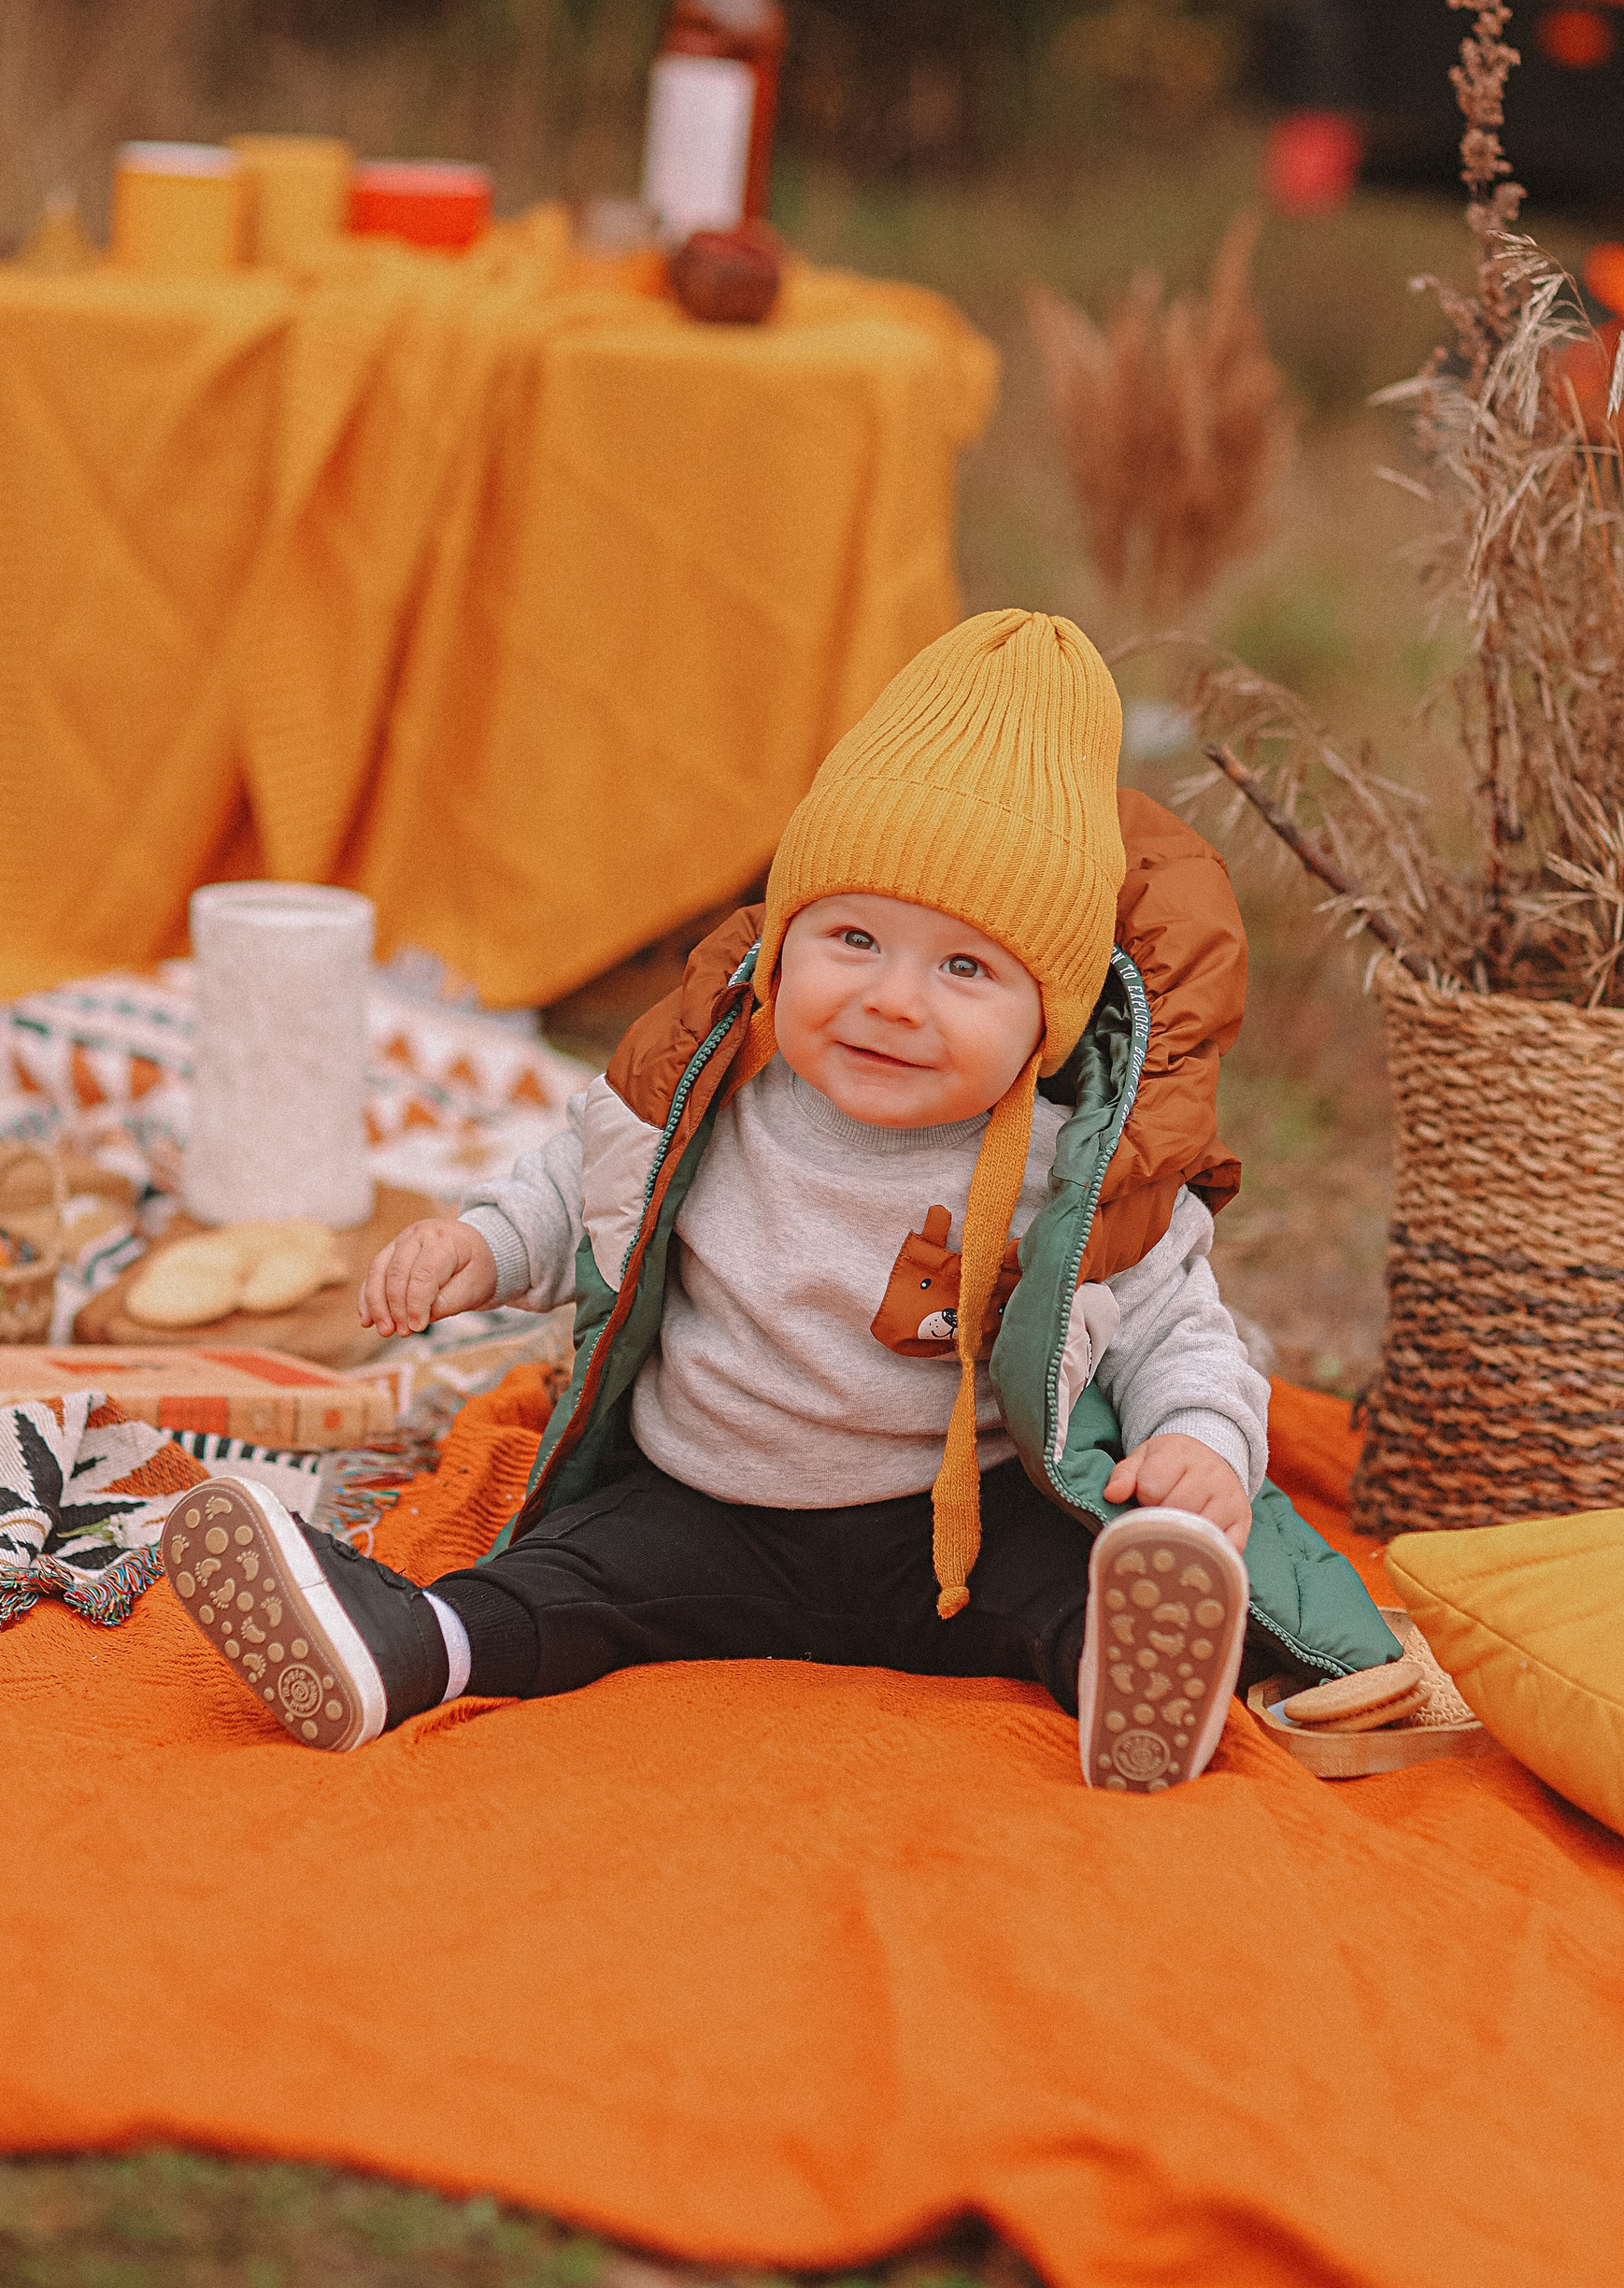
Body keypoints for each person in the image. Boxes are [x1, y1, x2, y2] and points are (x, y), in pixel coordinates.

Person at [161, 611, 1400, 1787]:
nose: (893, 999)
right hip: (708, 1507)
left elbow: (1179, 1328)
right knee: (564, 1583)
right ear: (781, 945)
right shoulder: (714, 1094)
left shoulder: (1073, 1173)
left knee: (1073, 1582)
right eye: (853, 939)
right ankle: (406, 1648)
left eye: (964, 967)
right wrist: (478, 1247)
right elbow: (576, 1187)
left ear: (1046, 1020)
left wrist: (1201, 1443)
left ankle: (1143, 1681)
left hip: (958, 1536)